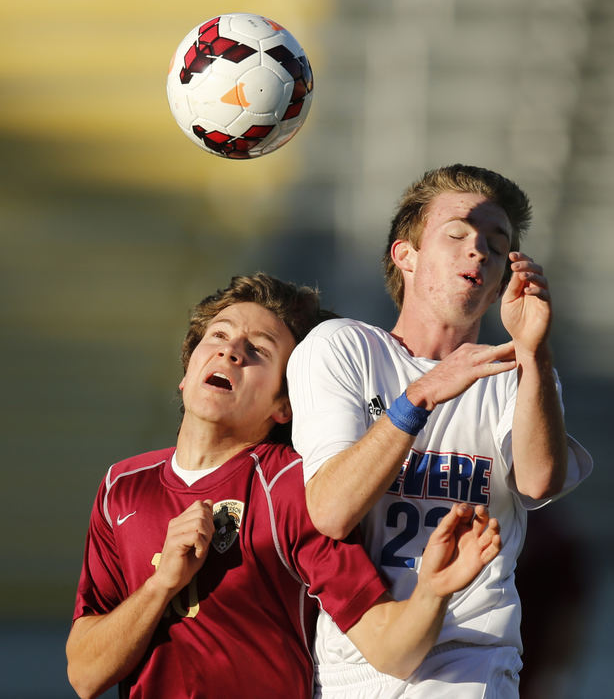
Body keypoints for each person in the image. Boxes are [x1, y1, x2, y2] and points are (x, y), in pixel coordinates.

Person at [66, 272, 502, 699]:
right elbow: (85, 675)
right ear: (186, 371)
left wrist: (432, 592)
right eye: (218, 336)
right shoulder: (122, 485)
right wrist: (161, 584)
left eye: (258, 349)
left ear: (284, 406)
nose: (231, 351)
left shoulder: (294, 487)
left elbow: (391, 649)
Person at [287, 165, 593, 698]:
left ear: (502, 279)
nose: (477, 250)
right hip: (353, 660)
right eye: (456, 235)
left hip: (471, 660)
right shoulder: (343, 347)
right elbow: (331, 511)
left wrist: (535, 349)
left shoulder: (520, 373)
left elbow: (540, 482)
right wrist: (422, 394)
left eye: (495, 246)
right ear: (404, 255)